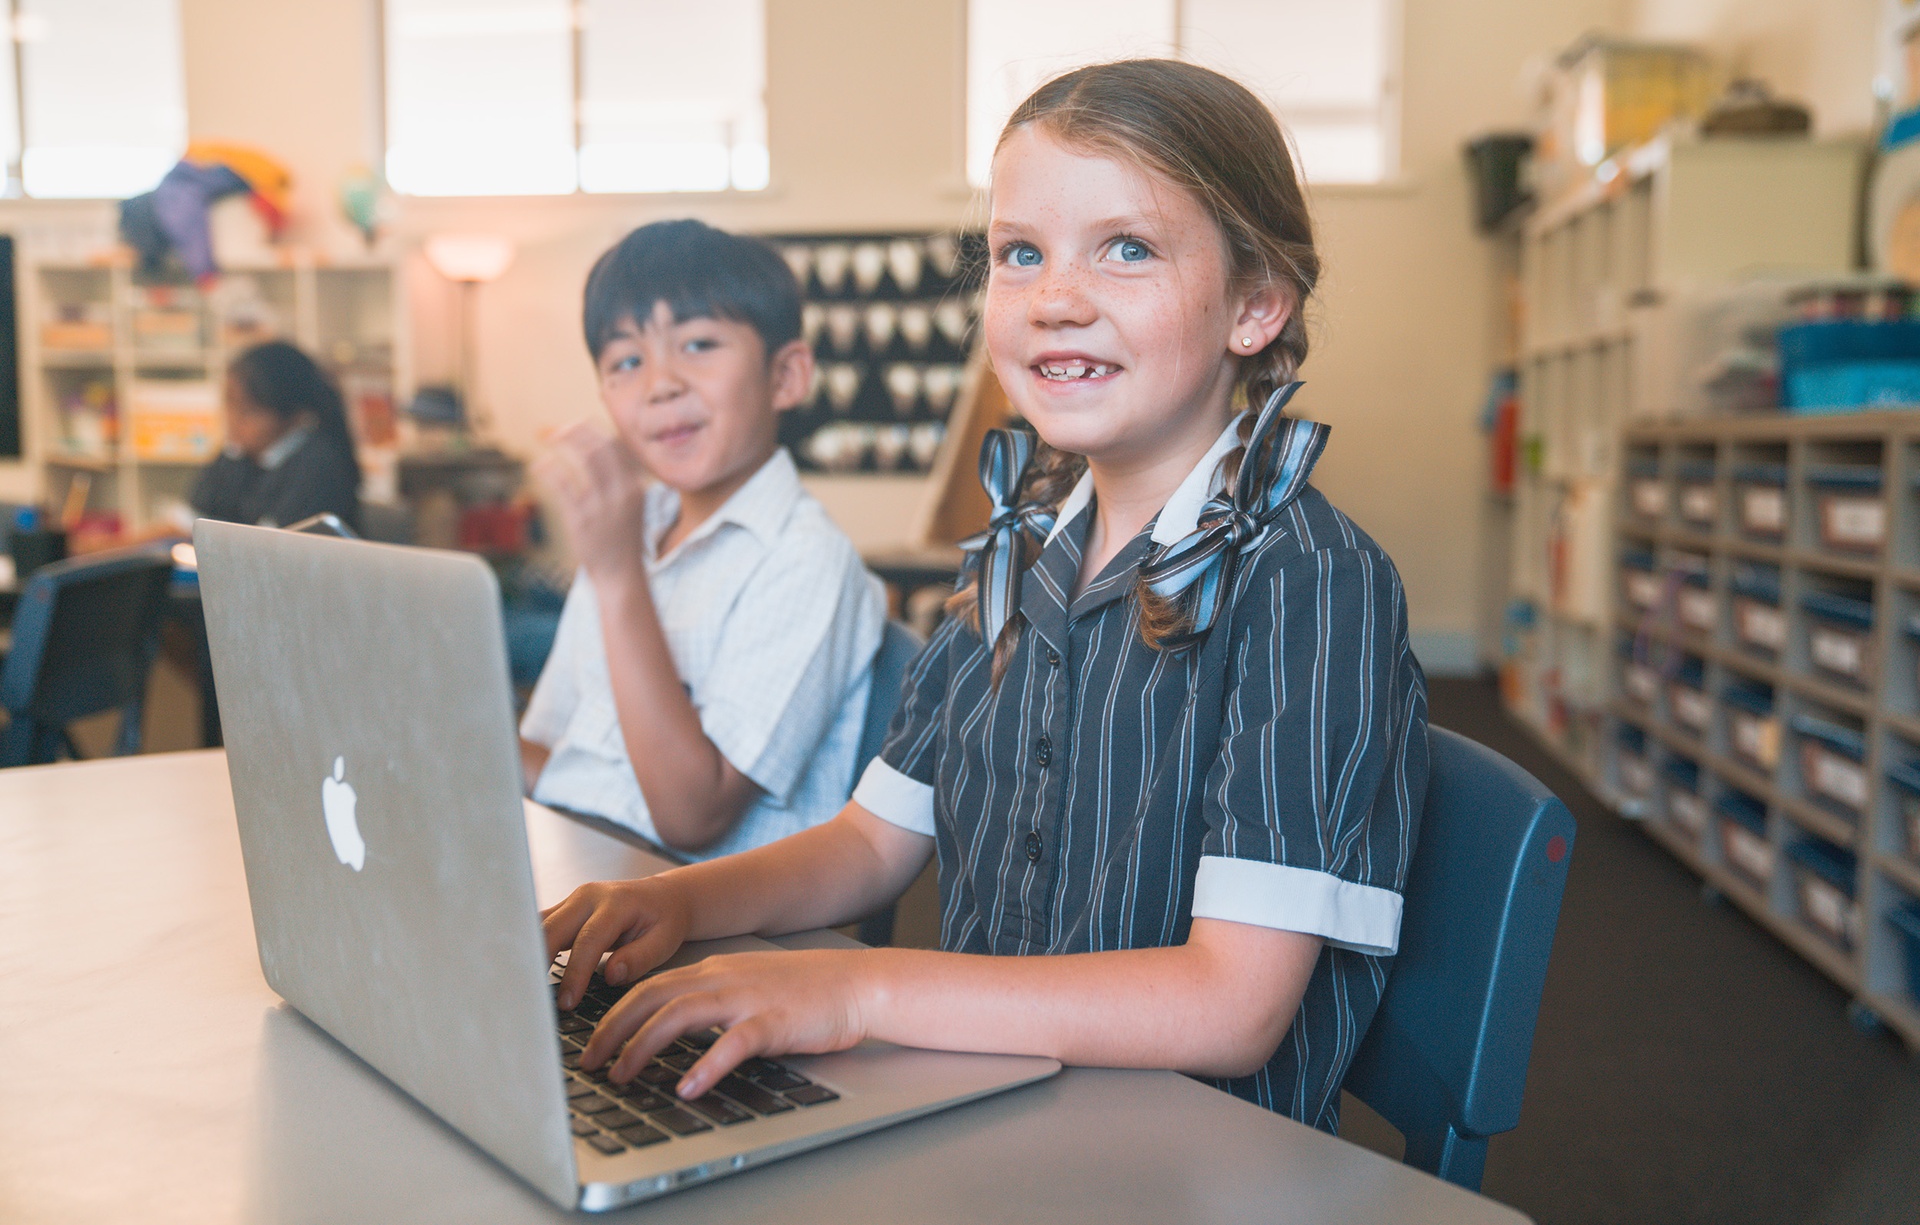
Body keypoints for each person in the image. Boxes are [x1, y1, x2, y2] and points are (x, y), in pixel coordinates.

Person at [540, 61, 1430, 1134]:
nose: (1055, 299)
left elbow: (1232, 1005)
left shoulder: (1308, 580)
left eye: (1129, 248)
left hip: (1180, 1151)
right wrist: (675, 900)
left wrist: (858, 991)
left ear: (1256, 305)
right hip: (989, 1099)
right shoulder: (1016, 555)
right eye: (1020, 253)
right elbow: (871, 845)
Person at [519, 219, 886, 859]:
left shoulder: (804, 559)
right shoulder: (634, 530)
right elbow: (556, 759)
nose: (661, 383)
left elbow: (693, 815)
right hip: (573, 859)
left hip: (684, 913)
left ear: (786, 376)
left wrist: (617, 577)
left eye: (697, 344)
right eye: (627, 361)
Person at [189, 339, 361, 533]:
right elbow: (189, 518)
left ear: (294, 417)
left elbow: (269, 547)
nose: (232, 420)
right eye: (228, 403)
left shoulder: (318, 465)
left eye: (248, 411)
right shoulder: (236, 455)